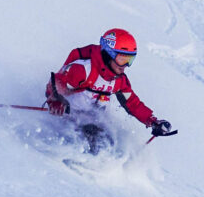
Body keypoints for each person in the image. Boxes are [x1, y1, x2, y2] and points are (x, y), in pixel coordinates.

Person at [45, 28, 173, 141]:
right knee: (91, 140)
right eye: (122, 60)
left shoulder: (118, 80)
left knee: (111, 143)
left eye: (130, 60)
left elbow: (133, 103)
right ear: (108, 54)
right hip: (68, 119)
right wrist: (55, 100)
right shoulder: (83, 69)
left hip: (94, 124)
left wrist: (153, 121)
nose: (125, 66)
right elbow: (56, 83)